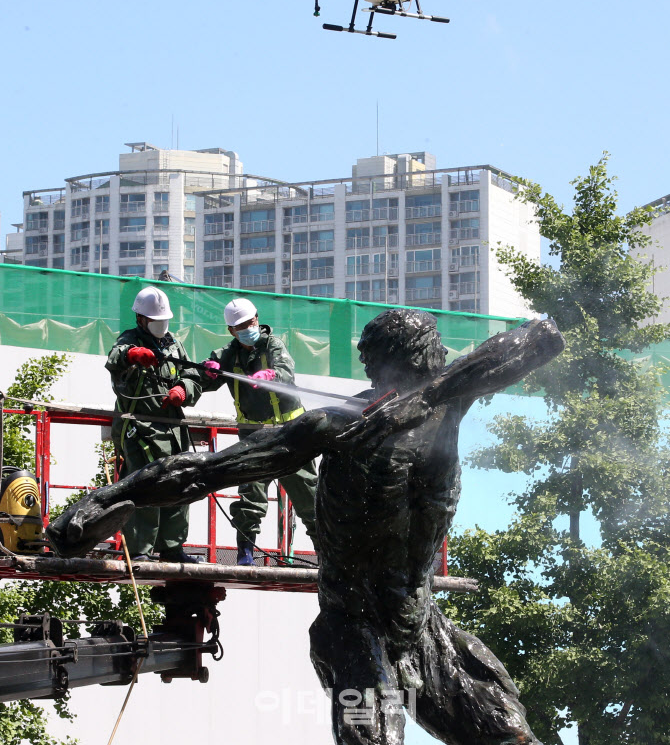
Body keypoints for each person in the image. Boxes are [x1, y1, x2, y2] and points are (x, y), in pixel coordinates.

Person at [48, 311, 565, 744]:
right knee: (373, 736)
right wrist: (113, 496)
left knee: (508, 731)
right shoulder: (340, 424)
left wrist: (424, 397)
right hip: (354, 626)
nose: (437, 361)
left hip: (422, 629)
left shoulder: (448, 403)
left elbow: (537, 340)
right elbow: (206, 469)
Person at [201, 297, 318, 565]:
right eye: (241, 325)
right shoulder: (228, 355)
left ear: (257, 318)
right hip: (253, 437)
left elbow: (285, 370)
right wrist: (208, 373)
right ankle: (245, 553)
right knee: (250, 497)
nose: (248, 328)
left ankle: (326, 553)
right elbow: (205, 378)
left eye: (251, 322)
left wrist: (271, 377)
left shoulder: (273, 345)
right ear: (231, 330)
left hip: (291, 434)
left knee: (309, 497)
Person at [106, 286, 203, 563]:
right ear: (141, 319)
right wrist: (133, 355)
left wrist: (183, 390)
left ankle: (172, 548)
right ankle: (140, 551)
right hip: (140, 430)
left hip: (172, 430)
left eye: (164, 321)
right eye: (156, 321)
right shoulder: (128, 339)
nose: (162, 326)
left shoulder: (173, 344)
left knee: (179, 486)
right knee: (144, 487)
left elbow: (193, 376)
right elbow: (115, 359)